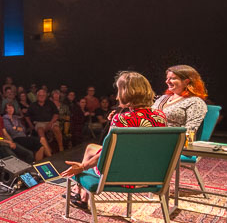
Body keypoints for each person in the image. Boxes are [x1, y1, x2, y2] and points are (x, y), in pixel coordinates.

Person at [63, 71, 168, 207]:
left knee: (89, 159)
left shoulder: (122, 119)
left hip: (125, 176)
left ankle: (81, 194)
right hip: (150, 175)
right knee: (90, 148)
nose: (117, 97)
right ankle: (81, 194)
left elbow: (107, 152)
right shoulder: (160, 115)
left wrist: (82, 167)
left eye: (119, 91)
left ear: (127, 93)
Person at [152, 64, 209, 134]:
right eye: (167, 78)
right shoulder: (163, 98)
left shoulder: (195, 102)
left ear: (186, 81)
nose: (167, 81)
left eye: (172, 78)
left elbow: (190, 130)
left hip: (172, 138)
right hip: (151, 135)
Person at [25, 88, 64, 153]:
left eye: (43, 95)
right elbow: (27, 116)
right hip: (39, 123)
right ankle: (48, 149)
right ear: (37, 96)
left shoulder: (50, 103)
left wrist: (51, 123)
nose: (42, 97)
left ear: (45, 96)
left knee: (56, 128)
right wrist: (31, 125)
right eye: (40, 95)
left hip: (51, 121)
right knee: (40, 130)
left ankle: (61, 147)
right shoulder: (33, 105)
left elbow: (56, 114)